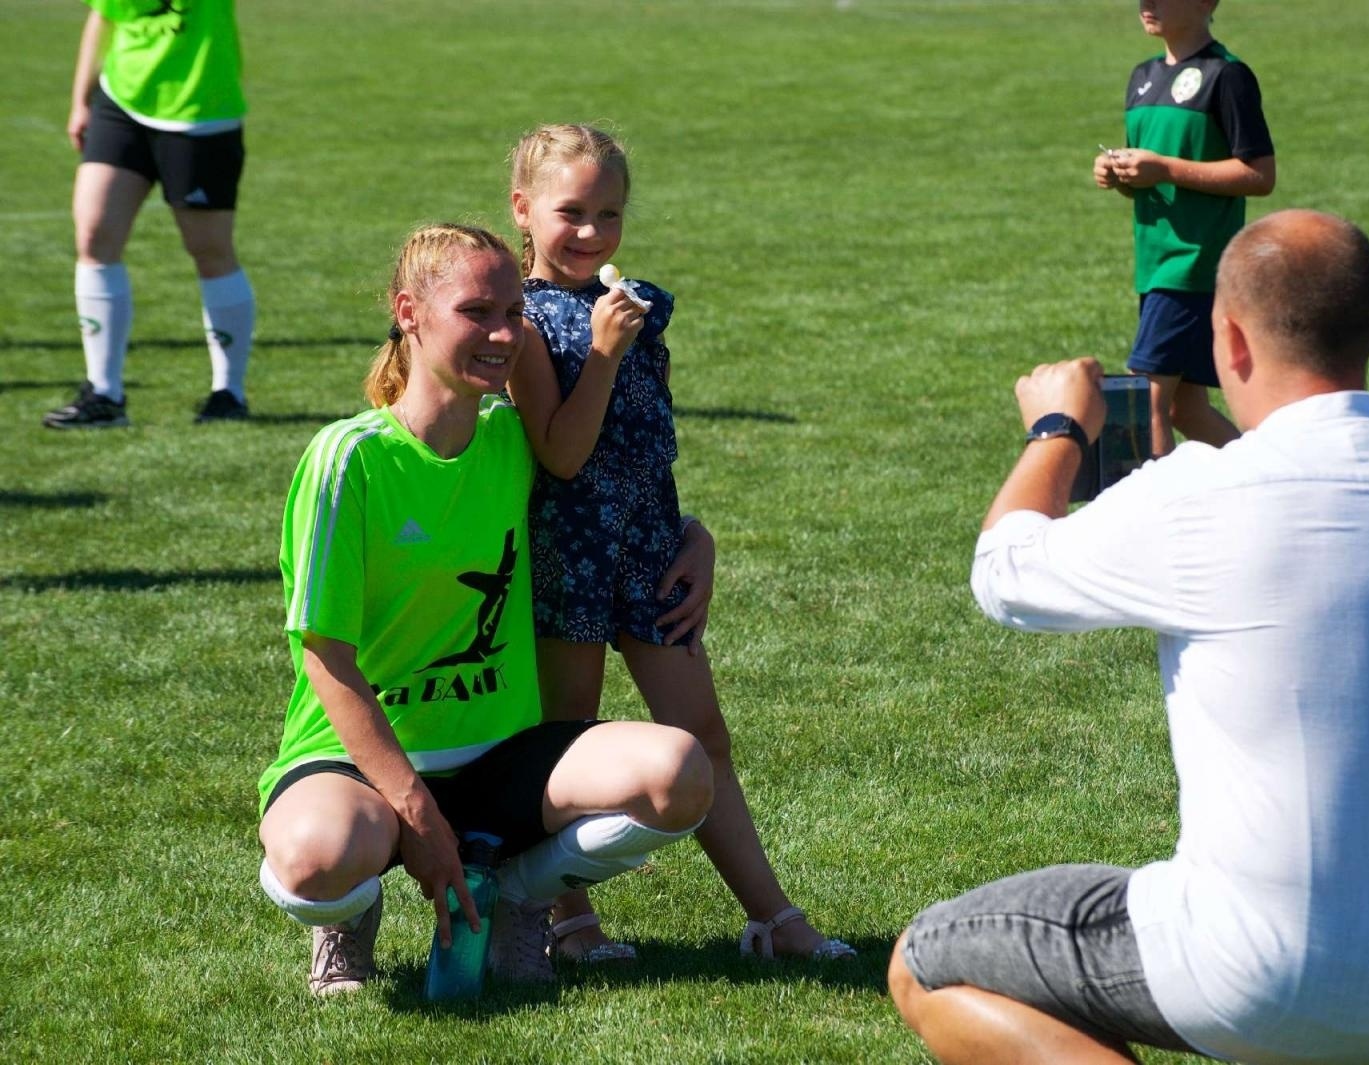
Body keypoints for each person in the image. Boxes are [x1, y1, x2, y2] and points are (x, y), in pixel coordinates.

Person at [890, 210, 1369, 1064]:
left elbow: (1004, 571)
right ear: (1367, 332)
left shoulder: (1206, 490)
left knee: (928, 961)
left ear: (1230, 341)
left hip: (1269, 978)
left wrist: (1057, 428)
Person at [257, 223, 713, 997]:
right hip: (361, 763)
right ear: (410, 311)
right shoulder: (350, 459)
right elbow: (325, 658)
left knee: (680, 774)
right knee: (314, 857)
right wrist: (414, 810)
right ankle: (350, 915)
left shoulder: (511, 440)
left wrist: (695, 535)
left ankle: (521, 896)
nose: (503, 333)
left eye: (513, 311)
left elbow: (612, 498)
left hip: (498, 754)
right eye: (476, 312)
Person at [505, 124, 853, 963]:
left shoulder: (640, 312)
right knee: (569, 740)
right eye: (571, 212)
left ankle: (773, 917)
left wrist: (695, 533)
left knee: (705, 733)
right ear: (523, 209)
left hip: (653, 548)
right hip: (568, 560)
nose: (591, 233)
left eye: (610, 214)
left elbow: (649, 445)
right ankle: (567, 920)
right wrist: (600, 353)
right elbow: (562, 451)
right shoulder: (521, 322)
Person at [46, 0, 255, 429]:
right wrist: (81, 99)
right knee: (94, 235)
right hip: (120, 99)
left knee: (209, 250)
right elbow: (104, 16)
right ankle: (104, 394)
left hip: (199, 111)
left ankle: (228, 393)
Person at [1093, 0, 1275, 457]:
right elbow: (1151, 178)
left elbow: (1259, 175)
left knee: (1145, 401)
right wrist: (1120, 175)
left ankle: (1160, 522)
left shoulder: (1227, 76)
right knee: (1185, 409)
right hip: (1154, 265)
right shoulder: (1142, 78)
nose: (1146, 6)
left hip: (1193, 263)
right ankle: (1269, 475)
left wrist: (1166, 169)